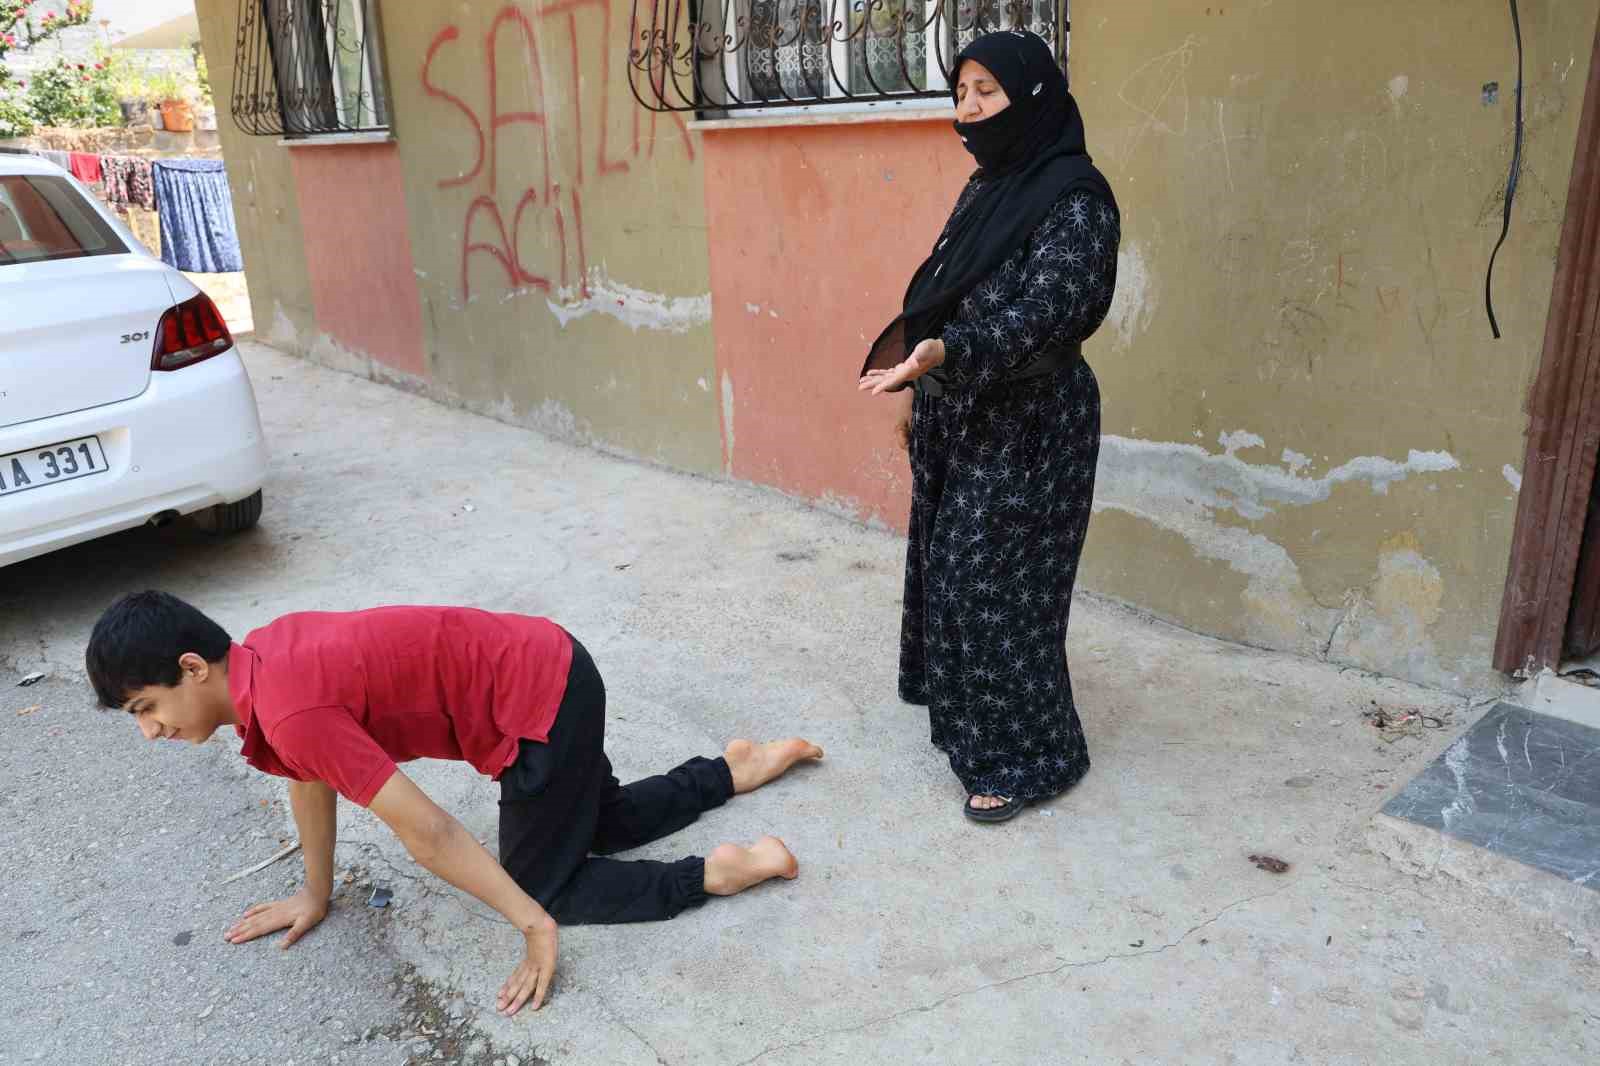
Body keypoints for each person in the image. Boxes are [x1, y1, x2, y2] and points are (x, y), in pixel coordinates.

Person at [85, 591, 822, 1014]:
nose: (150, 731)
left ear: (193, 667)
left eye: (147, 707)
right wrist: (314, 891)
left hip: (539, 705)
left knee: (545, 885)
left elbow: (430, 831)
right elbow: (307, 775)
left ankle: (718, 873)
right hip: (550, 665)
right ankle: (729, 770)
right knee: (601, 821)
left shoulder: (289, 712)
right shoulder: (265, 661)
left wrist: (532, 922)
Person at [858, 29, 1119, 824]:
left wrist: (949, 352)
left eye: (987, 91)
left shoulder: (1076, 199)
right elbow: (940, 289)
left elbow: (1049, 313)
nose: (970, 108)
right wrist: (916, 381)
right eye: (961, 92)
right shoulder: (990, 185)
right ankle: (970, 718)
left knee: (996, 587)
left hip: (1032, 421)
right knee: (948, 567)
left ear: (1032, 98)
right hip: (958, 407)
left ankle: (1036, 757)